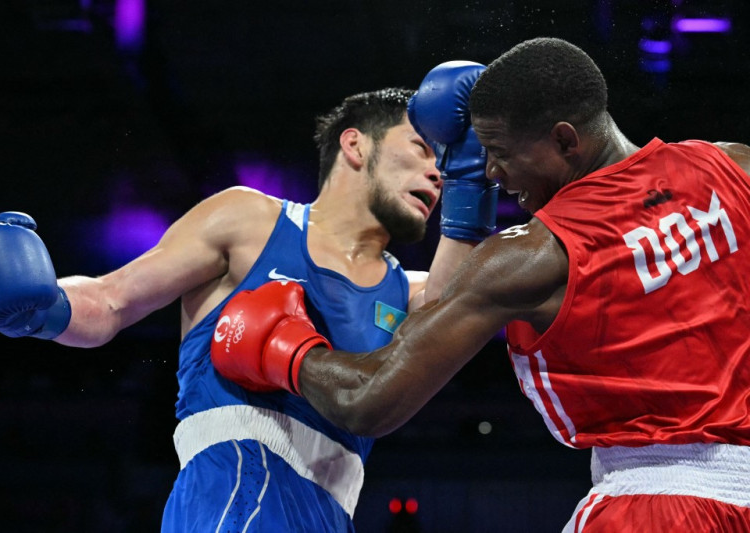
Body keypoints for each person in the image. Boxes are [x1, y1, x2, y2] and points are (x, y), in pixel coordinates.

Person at [208, 37, 750, 531]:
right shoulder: (730, 166)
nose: (489, 172)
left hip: (658, 509)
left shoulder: (537, 255)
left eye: (501, 151)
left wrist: (285, 346)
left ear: (565, 140)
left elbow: (369, 401)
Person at [0, 66, 500, 531]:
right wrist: (47, 308)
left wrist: (475, 179)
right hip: (232, 480)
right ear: (355, 144)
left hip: (333, 513)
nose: (438, 171)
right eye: (424, 148)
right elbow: (112, 300)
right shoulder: (250, 221)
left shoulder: (410, 292)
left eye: (449, 164)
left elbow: (455, 307)